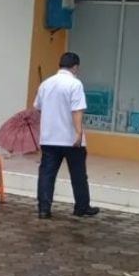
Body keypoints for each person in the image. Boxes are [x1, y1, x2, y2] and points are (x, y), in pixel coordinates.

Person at [33, 52, 99, 219]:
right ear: (75, 67)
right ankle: (81, 207)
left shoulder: (45, 84)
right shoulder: (75, 84)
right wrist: (78, 133)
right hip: (70, 139)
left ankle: (44, 209)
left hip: (49, 138)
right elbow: (77, 111)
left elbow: (38, 107)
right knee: (78, 174)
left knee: (47, 174)